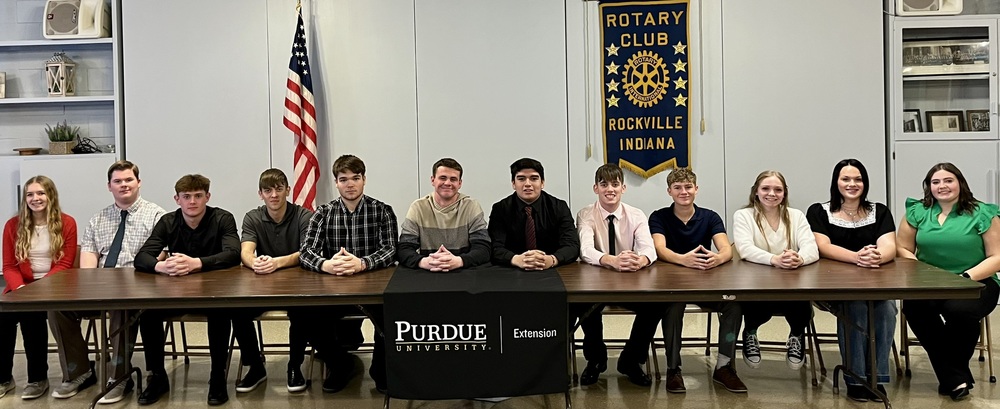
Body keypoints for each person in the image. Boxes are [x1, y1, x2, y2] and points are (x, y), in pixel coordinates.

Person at [49, 161, 166, 404]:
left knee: (119, 306)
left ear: (138, 183)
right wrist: (92, 287)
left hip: (138, 288)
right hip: (101, 285)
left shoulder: (156, 215)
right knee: (57, 307)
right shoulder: (98, 219)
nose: (124, 185)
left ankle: (119, 377)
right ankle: (79, 372)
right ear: (109, 186)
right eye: (118, 181)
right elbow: (89, 259)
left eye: (128, 180)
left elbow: (161, 255)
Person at [133, 174, 248, 406]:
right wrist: (161, 266)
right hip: (177, 292)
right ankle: (157, 376)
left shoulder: (222, 218)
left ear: (208, 197)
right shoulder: (168, 221)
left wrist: (197, 263)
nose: (192, 201)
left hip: (214, 291)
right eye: (186, 197)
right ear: (177, 199)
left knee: (220, 313)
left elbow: (233, 253)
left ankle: (217, 376)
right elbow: (141, 257)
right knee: (147, 313)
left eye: (198, 196)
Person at [897, 162, 1000, 401]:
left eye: (948, 180)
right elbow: (901, 248)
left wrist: (966, 278)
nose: (942, 186)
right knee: (914, 307)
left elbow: (997, 257)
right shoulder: (917, 212)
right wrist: (920, 270)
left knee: (959, 310)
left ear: (960, 183)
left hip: (976, 281)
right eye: (936, 182)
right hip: (928, 282)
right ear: (929, 187)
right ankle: (955, 377)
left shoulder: (983, 213)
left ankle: (950, 376)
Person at [488, 159, 597, 384]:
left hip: (553, 273)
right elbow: (494, 247)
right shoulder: (501, 209)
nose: (528, 184)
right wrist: (516, 259)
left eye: (534, 178)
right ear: (513, 183)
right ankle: (510, 362)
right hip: (514, 274)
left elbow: (571, 245)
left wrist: (551, 259)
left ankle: (594, 361)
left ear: (543, 182)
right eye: (521, 179)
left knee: (589, 304)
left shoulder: (558, 206)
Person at [299, 155, 398, 393]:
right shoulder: (323, 213)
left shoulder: (382, 211)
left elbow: (391, 249)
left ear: (364, 180)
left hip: (372, 290)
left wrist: (362, 264)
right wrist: (327, 265)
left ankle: (380, 370)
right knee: (308, 317)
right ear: (336, 183)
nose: (350, 184)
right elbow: (306, 252)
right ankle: (341, 364)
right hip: (336, 288)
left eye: (356, 178)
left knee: (392, 313)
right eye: (344, 179)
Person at [648, 168, 746, 393]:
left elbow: (726, 250)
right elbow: (659, 249)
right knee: (672, 308)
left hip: (705, 282)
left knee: (733, 304)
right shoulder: (659, 216)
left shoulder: (710, 216)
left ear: (696, 189)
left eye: (688, 187)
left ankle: (724, 366)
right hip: (673, 285)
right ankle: (673, 368)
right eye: (678, 188)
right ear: (669, 191)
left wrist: (717, 258)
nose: (684, 192)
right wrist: (683, 260)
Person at [806, 159, 896, 402]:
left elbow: (889, 245)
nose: (852, 184)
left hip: (874, 284)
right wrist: (857, 257)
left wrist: (876, 256)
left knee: (886, 308)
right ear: (836, 182)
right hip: (833, 287)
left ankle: (877, 377)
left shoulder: (880, 211)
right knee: (855, 307)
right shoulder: (819, 211)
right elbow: (823, 247)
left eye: (858, 179)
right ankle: (855, 379)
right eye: (846, 179)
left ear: (865, 183)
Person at [576, 164, 663, 387]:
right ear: (596, 188)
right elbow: (585, 250)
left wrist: (640, 260)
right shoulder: (586, 214)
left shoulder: (636, 214)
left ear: (623, 187)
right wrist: (611, 260)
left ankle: (631, 361)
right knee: (583, 306)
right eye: (604, 184)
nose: (610, 189)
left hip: (629, 280)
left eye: (615, 184)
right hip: (597, 281)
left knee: (655, 305)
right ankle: (596, 360)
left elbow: (649, 249)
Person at [732, 170, 818, 371]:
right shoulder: (744, 215)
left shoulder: (796, 216)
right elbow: (744, 249)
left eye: (778, 189)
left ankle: (797, 335)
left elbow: (811, 247)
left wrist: (799, 258)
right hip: (756, 281)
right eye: (766, 188)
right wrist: (774, 260)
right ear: (756, 192)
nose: (772, 193)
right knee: (756, 305)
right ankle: (750, 332)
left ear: (784, 193)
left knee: (801, 302)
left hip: (790, 280)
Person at [0, 175, 76, 400]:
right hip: (21, 287)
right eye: (30, 194)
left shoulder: (67, 222)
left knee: (31, 315)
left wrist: (39, 290)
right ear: (25, 199)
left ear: (50, 195)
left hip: (55, 287)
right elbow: (9, 266)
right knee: (1, 316)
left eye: (41, 193)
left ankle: (37, 378)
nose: (36, 198)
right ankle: (4, 378)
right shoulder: (13, 225)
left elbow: (65, 264)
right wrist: (22, 289)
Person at [238, 169, 313, 393]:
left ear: (288, 190)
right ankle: (256, 367)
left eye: (279, 189)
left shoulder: (304, 215)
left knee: (301, 311)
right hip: (263, 284)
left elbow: (307, 251)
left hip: (296, 284)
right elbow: (246, 251)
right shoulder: (252, 217)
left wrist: (277, 262)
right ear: (260, 194)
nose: (274, 195)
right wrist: (254, 263)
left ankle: (294, 366)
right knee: (237, 311)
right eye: (268, 190)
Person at [398, 157, 489, 271]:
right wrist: (423, 262)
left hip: (463, 271)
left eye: (453, 179)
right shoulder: (418, 207)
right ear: (432, 180)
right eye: (443, 178)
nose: (447, 183)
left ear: (460, 183)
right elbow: (404, 248)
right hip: (427, 271)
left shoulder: (471, 206)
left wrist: (459, 261)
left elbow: (483, 248)